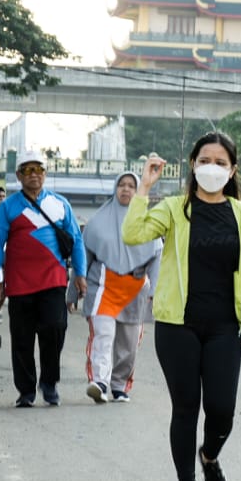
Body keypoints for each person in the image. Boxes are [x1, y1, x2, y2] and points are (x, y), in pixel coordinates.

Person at [125, 136, 241, 481]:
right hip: (176, 326)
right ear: (192, 164)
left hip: (224, 328)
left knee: (222, 410)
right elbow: (133, 234)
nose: (212, 168)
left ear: (232, 170)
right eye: (205, 160)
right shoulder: (173, 209)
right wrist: (145, 187)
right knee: (185, 408)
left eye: (220, 162)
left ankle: (210, 456)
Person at [0, 151, 87, 408]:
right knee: (22, 338)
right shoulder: (8, 207)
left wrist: (80, 274)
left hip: (53, 280)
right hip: (19, 283)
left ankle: (49, 383)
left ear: (45, 174)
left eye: (38, 169)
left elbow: (75, 240)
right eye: (28, 170)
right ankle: (26, 390)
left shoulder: (60, 203)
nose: (34, 175)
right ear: (19, 175)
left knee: (55, 328)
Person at [81, 173, 161, 404]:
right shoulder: (97, 222)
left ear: (138, 192)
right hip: (103, 286)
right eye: (122, 185)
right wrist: (74, 292)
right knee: (103, 336)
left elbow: (156, 258)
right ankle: (100, 382)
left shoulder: (148, 223)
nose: (126, 190)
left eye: (131, 186)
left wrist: (155, 294)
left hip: (134, 290)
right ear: (115, 189)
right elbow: (84, 259)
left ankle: (119, 385)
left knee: (128, 343)